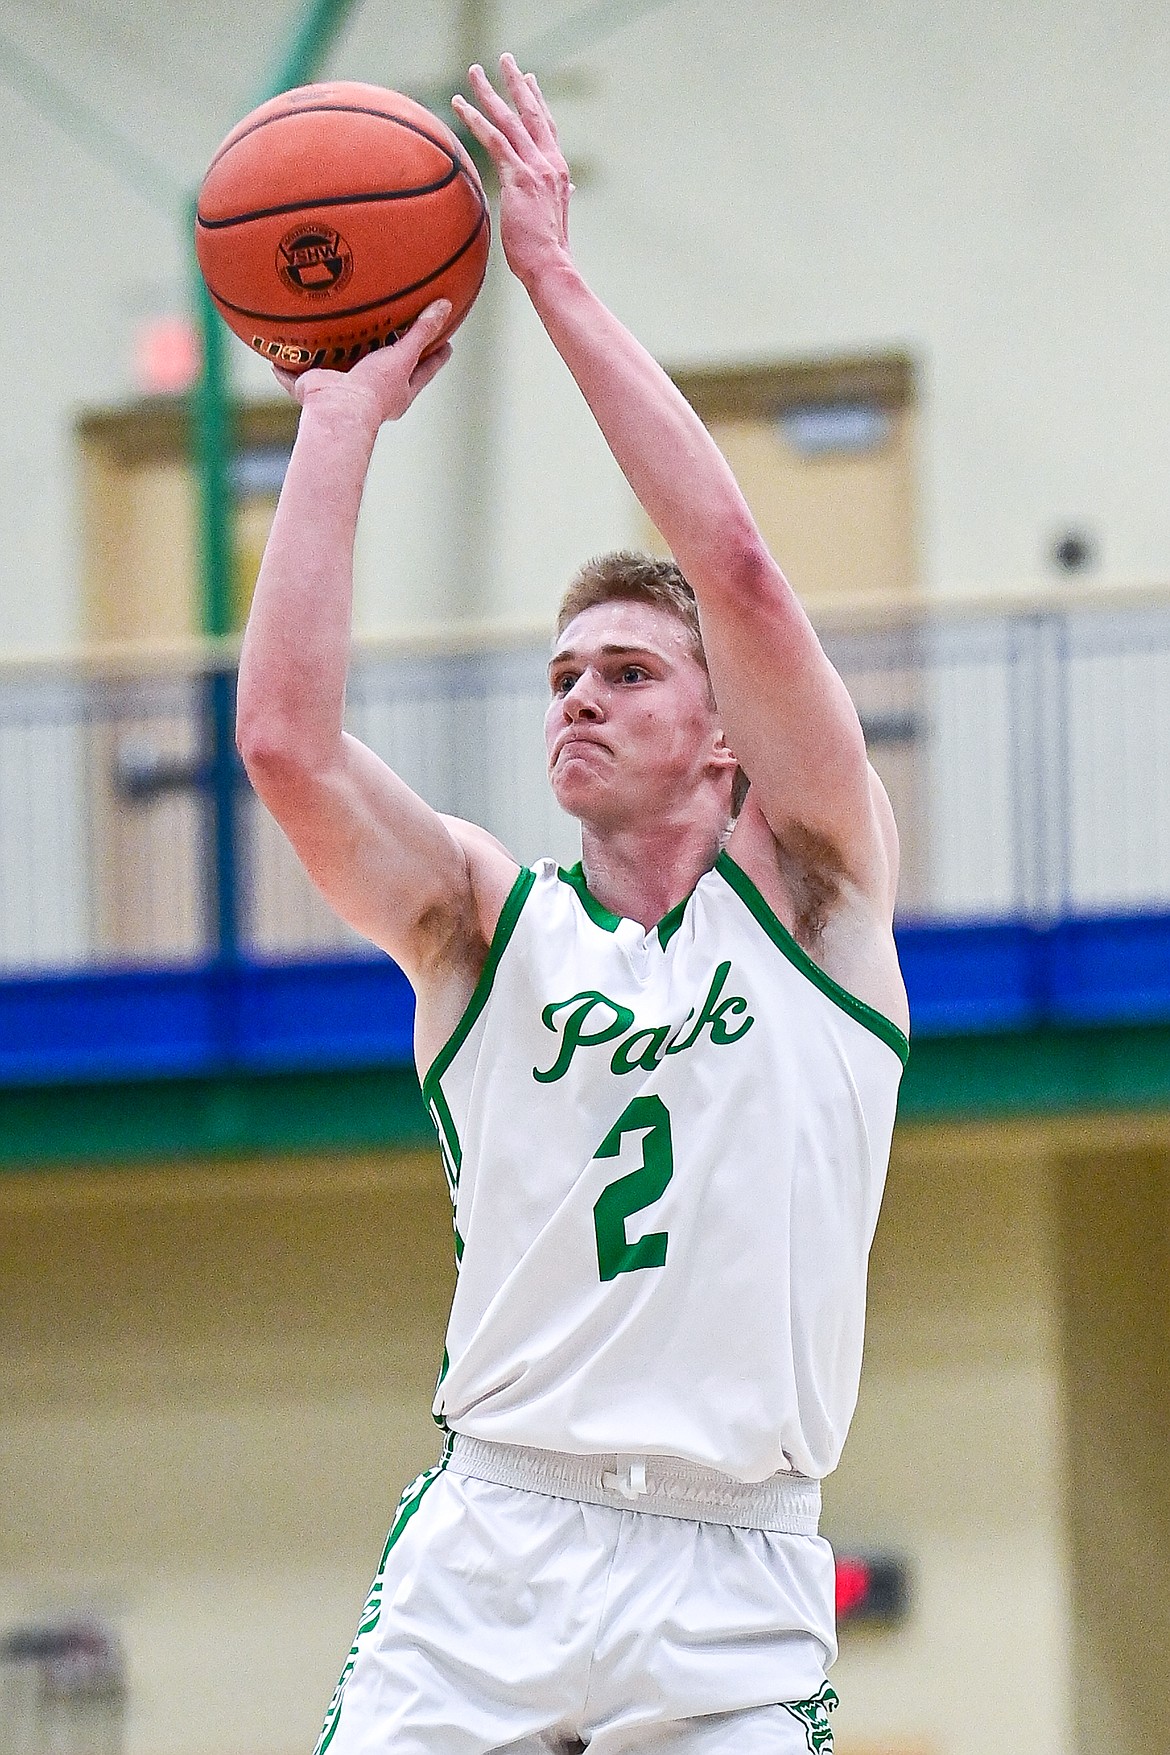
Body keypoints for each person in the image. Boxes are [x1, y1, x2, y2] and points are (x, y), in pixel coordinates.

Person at [237, 52, 909, 1755]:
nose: (578, 699)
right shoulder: (481, 922)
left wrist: (546, 272)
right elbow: (286, 745)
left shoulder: (816, 903)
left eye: (627, 669)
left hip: (732, 1576)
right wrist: (336, 423)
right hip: (498, 1548)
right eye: (559, 675)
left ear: (726, 733)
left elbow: (739, 569)